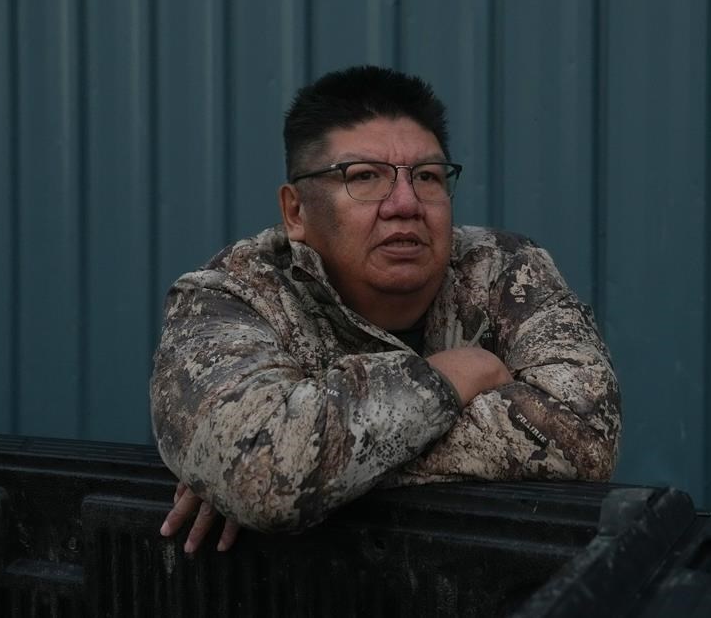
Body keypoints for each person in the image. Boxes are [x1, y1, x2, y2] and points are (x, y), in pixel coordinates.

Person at [150, 66, 621, 553]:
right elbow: (263, 472)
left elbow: (586, 435)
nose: (406, 203)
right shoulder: (229, 295)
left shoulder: (506, 269)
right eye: (365, 176)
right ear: (295, 211)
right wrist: (454, 375)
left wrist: (313, 472)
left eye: (428, 177)